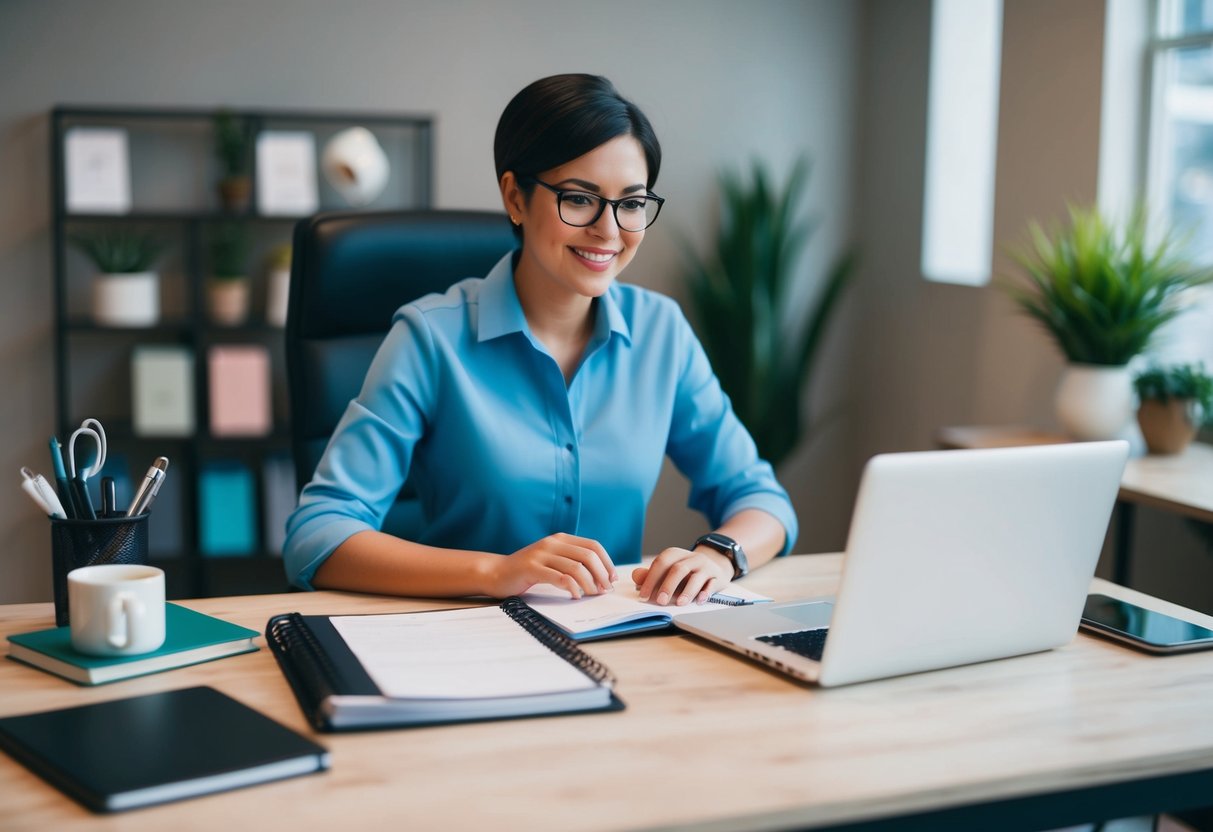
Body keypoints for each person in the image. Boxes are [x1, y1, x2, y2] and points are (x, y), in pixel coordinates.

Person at [284, 73, 797, 606]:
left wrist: (719, 554)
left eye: (632, 202)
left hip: (617, 642)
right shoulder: (429, 339)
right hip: (465, 642)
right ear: (515, 197)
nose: (609, 230)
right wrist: (498, 571)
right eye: (579, 199)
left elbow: (762, 499)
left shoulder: (660, 332)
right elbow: (317, 534)